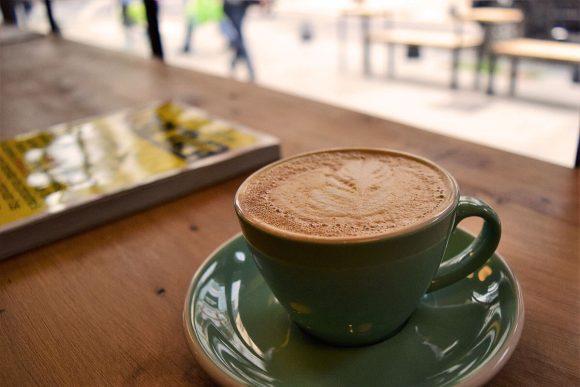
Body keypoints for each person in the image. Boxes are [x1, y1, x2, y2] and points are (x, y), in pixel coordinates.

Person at [223, 0, 264, 82]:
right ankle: (241, 66)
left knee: (239, 39)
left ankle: (249, 69)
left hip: (238, 6)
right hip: (229, 6)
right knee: (238, 39)